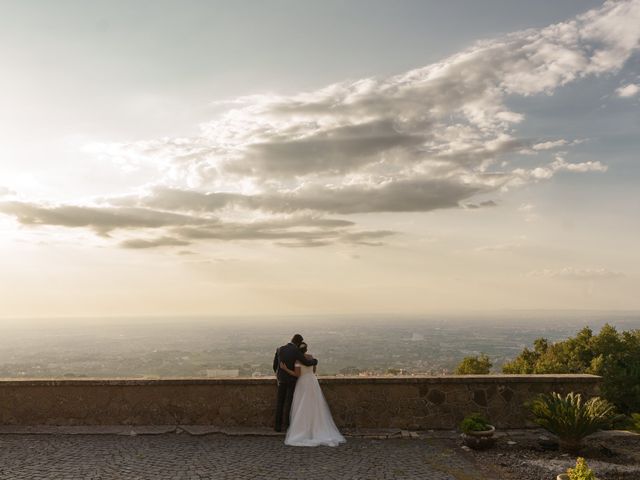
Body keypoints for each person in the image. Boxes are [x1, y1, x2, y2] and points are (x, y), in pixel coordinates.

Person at [279, 342, 346, 447]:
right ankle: (316, 428)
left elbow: (297, 374)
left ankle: (303, 429)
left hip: (303, 383)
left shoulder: (297, 360)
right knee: (315, 406)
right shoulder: (311, 358)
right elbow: (314, 370)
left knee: (302, 406)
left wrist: (285, 369)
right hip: (312, 382)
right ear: (306, 349)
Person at [273, 334, 318, 432]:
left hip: (281, 380)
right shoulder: (295, 351)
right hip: (291, 380)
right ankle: (287, 426)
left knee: (280, 403)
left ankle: (277, 426)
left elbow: (275, 366)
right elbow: (306, 362)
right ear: (298, 342)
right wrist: (315, 361)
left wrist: (278, 376)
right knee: (289, 403)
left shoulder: (279, 349)